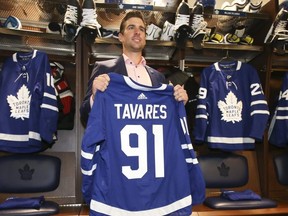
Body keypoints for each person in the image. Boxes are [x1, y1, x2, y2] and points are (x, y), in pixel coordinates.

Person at [80, 10, 188, 126]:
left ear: (145, 38)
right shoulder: (104, 69)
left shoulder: (159, 78)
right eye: (131, 27)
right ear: (121, 37)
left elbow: (166, 122)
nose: (137, 32)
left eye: (142, 29)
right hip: (115, 143)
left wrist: (179, 104)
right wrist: (94, 97)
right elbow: (85, 118)